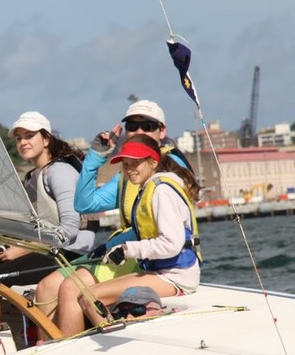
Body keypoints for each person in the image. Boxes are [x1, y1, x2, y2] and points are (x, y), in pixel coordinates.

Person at [35, 99, 194, 331]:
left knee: (72, 289)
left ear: (162, 132)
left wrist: (127, 248)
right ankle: (49, 348)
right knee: (47, 287)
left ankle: (71, 354)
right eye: (132, 125)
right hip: (131, 253)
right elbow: (84, 204)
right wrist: (95, 158)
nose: (139, 131)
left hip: (154, 259)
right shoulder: (130, 172)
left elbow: (170, 236)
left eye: (148, 126)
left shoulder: (165, 172)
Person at [55, 135, 202, 336]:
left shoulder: (161, 190)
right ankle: (109, 338)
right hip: (162, 271)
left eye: (136, 163)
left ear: (152, 161)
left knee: (90, 297)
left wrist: (128, 249)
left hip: (176, 276)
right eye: (125, 164)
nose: (130, 169)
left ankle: (115, 346)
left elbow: (172, 244)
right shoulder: (151, 186)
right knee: (88, 296)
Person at [0, 111, 95, 325]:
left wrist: (24, 249)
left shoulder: (59, 172)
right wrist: (7, 246)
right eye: (19, 138)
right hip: (48, 248)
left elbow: (70, 229)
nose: (23, 142)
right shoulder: (36, 175)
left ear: (45, 139)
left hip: (70, 251)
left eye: (29, 136)